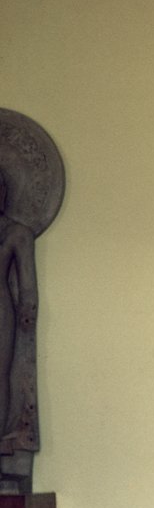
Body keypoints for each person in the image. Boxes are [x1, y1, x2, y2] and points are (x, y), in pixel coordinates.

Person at [0, 168, 39, 483]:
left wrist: (28, 309)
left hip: (1, 310)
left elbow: (27, 286)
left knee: (1, 376)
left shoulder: (17, 233)